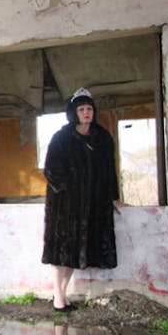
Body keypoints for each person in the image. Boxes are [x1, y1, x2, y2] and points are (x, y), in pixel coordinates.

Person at [41, 87, 124, 312]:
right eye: (81, 109)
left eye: (89, 109)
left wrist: (114, 197)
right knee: (61, 252)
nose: (86, 113)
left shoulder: (103, 137)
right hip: (64, 205)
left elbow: (109, 170)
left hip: (91, 205)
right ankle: (58, 297)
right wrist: (68, 189)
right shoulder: (61, 137)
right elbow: (50, 169)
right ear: (74, 112)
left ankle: (62, 294)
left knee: (75, 252)